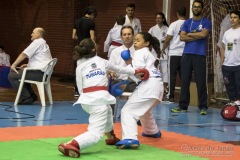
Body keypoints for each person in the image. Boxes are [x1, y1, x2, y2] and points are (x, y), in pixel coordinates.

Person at [57, 38, 148, 158]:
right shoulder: (101, 61)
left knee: (108, 110)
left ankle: (111, 136)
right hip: (98, 101)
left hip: (87, 100)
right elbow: (120, 68)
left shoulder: (80, 66)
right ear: (94, 49)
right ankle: (73, 144)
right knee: (96, 134)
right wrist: (136, 71)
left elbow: (80, 88)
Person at [115, 32, 164, 149]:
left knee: (127, 111)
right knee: (144, 110)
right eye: (135, 40)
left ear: (146, 43)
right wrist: (128, 64)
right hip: (157, 86)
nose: (135, 42)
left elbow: (139, 72)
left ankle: (130, 138)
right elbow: (137, 71)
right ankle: (151, 131)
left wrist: (123, 71)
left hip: (148, 86)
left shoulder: (140, 52)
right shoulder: (149, 54)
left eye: (138, 40)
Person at [171, 0, 211, 115]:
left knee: (201, 82)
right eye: (195, 7)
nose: (196, 9)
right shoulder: (187, 22)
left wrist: (189, 34)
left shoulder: (206, 22)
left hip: (200, 55)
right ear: (192, 8)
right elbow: (182, 38)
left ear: (202, 9)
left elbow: (204, 35)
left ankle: (203, 107)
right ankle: (183, 106)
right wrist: (196, 35)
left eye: (199, 7)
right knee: (185, 81)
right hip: (187, 54)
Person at [8, 27, 52, 105]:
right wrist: (28, 65)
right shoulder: (43, 43)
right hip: (43, 74)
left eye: (33, 32)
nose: (31, 34)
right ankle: (31, 96)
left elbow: (24, 54)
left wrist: (14, 65)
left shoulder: (37, 42)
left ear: (38, 34)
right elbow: (42, 60)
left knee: (12, 75)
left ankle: (26, 97)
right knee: (22, 73)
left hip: (39, 74)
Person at [161, 7, 187, 102]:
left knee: (172, 75)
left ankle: (170, 96)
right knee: (184, 76)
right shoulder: (188, 23)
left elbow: (168, 38)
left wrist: (163, 48)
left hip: (174, 53)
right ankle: (184, 96)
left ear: (177, 13)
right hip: (185, 53)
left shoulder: (174, 24)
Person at [72, 6, 97, 97]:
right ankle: (87, 88)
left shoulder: (77, 21)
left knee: (78, 69)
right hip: (88, 50)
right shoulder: (91, 22)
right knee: (89, 68)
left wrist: (80, 40)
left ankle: (76, 90)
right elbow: (92, 38)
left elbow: (73, 36)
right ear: (92, 14)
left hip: (79, 48)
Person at [221, 10, 240, 105]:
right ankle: (233, 107)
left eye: (235, 17)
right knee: (229, 88)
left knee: (239, 88)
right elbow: (223, 48)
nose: (232, 19)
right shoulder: (227, 33)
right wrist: (222, 63)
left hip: (238, 65)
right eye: (231, 17)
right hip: (227, 66)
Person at [148, 12, 169, 96]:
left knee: (165, 71)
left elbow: (170, 39)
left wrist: (166, 41)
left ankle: (165, 88)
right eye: (157, 18)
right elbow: (148, 40)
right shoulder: (152, 29)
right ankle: (153, 87)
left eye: (159, 18)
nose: (158, 19)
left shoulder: (167, 28)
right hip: (154, 53)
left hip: (164, 52)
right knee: (154, 70)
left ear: (163, 19)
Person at [215, 2, 232, 94]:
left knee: (222, 69)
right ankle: (221, 90)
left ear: (225, 8)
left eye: (221, 8)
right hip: (221, 46)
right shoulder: (224, 19)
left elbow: (228, 38)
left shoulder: (229, 19)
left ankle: (225, 90)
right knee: (219, 69)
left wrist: (225, 49)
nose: (219, 10)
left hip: (226, 47)